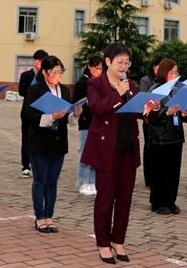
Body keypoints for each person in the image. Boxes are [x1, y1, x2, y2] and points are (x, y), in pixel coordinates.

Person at [80, 42, 140, 264]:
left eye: (127, 62)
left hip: (128, 148)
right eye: (120, 62)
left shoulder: (131, 84)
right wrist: (118, 94)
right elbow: (96, 108)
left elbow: (136, 113)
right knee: (105, 199)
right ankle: (103, 244)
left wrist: (149, 108)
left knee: (125, 198)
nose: (124, 66)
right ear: (108, 61)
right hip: (106, 149)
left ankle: (118, 241)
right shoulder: (96, 84)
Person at [24, 56, 82, 233]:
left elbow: (65, 118)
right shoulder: (35, 90)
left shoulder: (64, 90)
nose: (57, 75)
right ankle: (39, 217)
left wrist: (75, 115)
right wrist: (50, 117)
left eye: (60, 72)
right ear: (44, 72)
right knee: (40, 181)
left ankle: (49, 216)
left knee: (52, 182)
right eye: (54, 72)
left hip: (58, 142)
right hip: (39, 141)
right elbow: (29, 115)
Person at [146, 58, 187, 215]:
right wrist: (166, 113)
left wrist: (185, 113)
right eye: (171, 72)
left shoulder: (177, 91)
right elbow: (149, 117)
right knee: (160, 172)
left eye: (175, 72)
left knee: (173, 172)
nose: (173, 75)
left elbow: (185, 117)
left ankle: (170, 201)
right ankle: (157, 202)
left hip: (176, 136)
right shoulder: (155, 90)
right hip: (160, 138)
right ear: (163, 72)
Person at [72, 55, 103, 196]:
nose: (98, 71)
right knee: (85, 152)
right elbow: (75, 102)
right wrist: (87, 104)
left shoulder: (101, 83)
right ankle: (83, 181)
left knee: (96, 153)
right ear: (89, 67)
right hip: (86, 121)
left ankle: (92, 181)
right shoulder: (82, 83)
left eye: (101, 69)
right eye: (96, 68)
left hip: (98, 122)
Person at [18, 49, 48, 178]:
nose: (40, 63)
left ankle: (39, 165)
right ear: (34, 61)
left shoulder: (46, 76)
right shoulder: (26, 75)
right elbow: (21, 91)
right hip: (27, 112)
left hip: (42, 112)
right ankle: (26, 165)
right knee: (26, 139)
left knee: (40, 138)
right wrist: (33, 89)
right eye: (39, 61)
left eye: (43, 61)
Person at [138, 55, 163, 188]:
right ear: (154, 66)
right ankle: (149, 178)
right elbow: (144, 96)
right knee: (149, 148)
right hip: (149, 120)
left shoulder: (167, 81)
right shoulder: (145, 80)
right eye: (159, 66)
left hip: (164, 120)